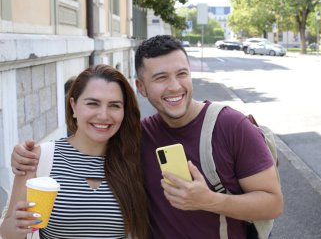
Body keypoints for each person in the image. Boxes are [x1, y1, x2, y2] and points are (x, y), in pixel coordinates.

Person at [9, 35, 283, 239]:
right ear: (141, 87)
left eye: (182, 74)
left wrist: (208, 200)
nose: (174, 86)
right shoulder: (138, 137)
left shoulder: (231, 126)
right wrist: (24, 155)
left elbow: (274, 204)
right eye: (161, 77)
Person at [0, 65, 149, 239]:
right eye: (93, 103)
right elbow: (8, 232)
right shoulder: (38, 158)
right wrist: (18, 225)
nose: (103, 115)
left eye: (114, 106)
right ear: (74, 105)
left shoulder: (134, 159)